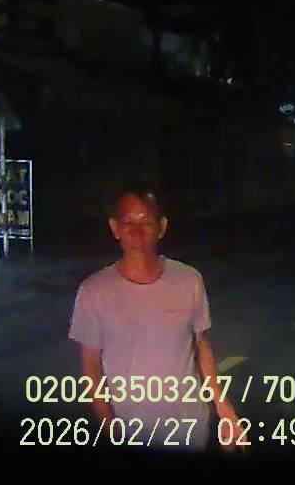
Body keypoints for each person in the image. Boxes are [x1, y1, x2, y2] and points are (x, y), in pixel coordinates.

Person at [68, 182, 246, 453]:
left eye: (146, 223)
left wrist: (225, 410)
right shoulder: (94, 291)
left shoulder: (189, 280)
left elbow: (200, 344)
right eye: (128, 223)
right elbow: (91, 366)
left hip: (190, 430)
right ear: (115, 228)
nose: (137, 232)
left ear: (162, 227)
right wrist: (111, 430)